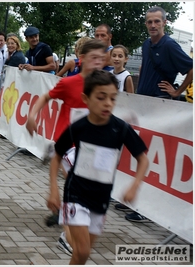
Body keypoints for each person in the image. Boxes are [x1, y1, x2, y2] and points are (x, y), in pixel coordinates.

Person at [47, 69, 149, 264]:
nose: (108, 103)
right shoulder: (78, 127)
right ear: (86, 98)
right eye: (101, 98)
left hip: (101, 198)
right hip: (76, 193)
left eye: (112, 98)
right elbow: (57, 155)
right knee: (83, 251)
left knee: (81, 254)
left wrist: (135, 186)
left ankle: (67, 227)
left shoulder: (121, 128)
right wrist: (53, 189)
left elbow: (143, 159)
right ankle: (68, 223)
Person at [26, 39, 107, 256]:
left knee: (87, 189)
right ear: (82, 59)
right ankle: (67, 233)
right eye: (93, 58)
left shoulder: (103, 85)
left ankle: (65, 215)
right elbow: (45, 96)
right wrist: (32, 115)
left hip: (90, 147)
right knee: (80, 188)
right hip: (69, 145)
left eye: (101, 59)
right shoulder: (70, 82)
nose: (98, 63)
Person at [115, 6, 193, 223]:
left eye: (157, 21)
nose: (153, 25)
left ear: (164, 23)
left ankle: (147, 208)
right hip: (144, 104)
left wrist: (177, 91)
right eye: (149, 22)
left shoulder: (169, 45)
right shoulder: (147, 44)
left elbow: (191, 68)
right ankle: (134, 198)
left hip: (161, 106)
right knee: (139, 151)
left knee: (154, 157)